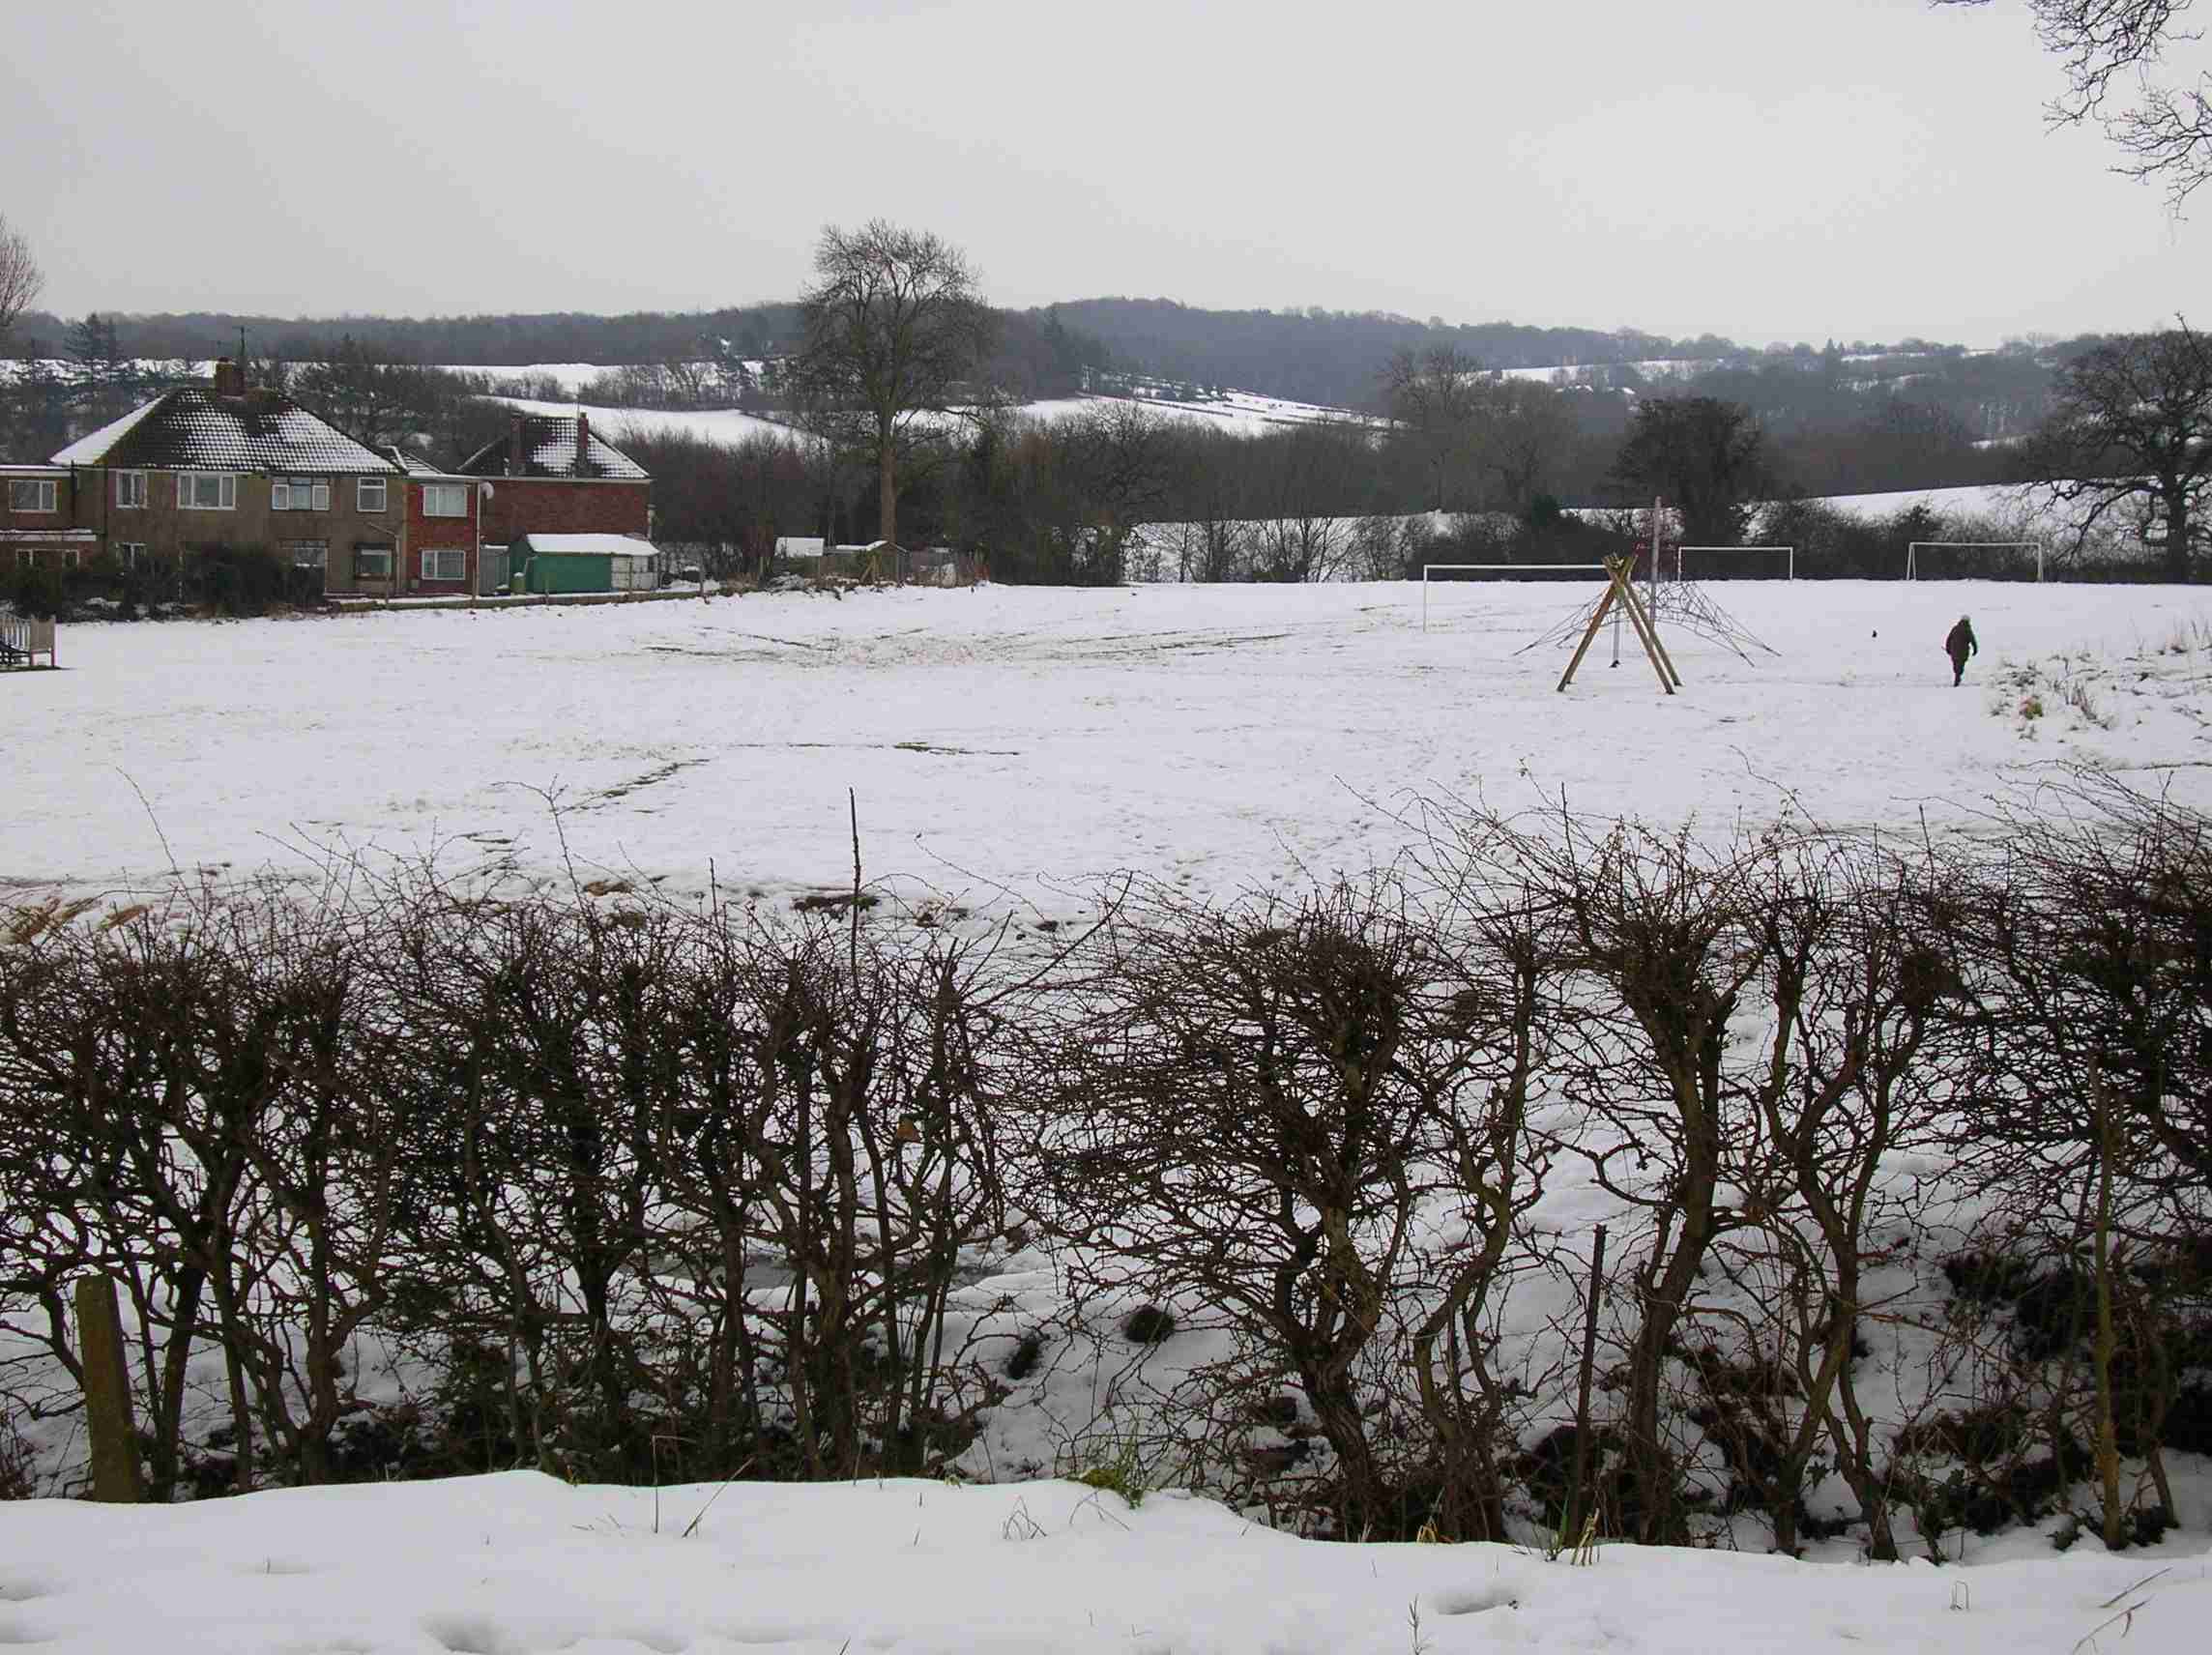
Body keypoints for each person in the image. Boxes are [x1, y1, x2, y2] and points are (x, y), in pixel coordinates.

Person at [1945, 614, 1978, 686]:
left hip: (1954, 650)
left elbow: (1949, 639)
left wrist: (1948, 648)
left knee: (1956, 664)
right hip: (1963, 651)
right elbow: (1973, 640)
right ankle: (1957, 678)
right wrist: (1975, 649)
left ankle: (1957, 677)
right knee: (1960, 665)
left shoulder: (1955, 628)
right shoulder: (1967, 630)